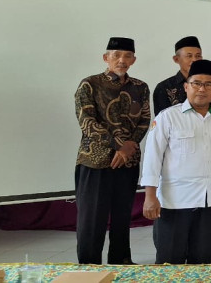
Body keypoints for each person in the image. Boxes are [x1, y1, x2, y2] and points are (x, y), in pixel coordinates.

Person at [141, 60, 211, 264]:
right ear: (186, 87)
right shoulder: (168, 117)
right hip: (174, 201)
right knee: (170, 262)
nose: (202, 89)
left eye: (208, 84)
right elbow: (152, 157)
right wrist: (150, 196)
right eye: (196, 83)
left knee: (203, 261)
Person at [74, 37, 150, 265]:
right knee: (91, 219)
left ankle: (121, 261)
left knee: (122, 216)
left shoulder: (140, 87)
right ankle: (89, 267)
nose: (121, 60)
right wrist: (119, 145)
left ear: (133, 60)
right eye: (116, 55)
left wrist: (129, 147)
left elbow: (144, 120)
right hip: (95, 161)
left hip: (128, 162)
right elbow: (87, 121)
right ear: (106, 58)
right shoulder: (90, 84)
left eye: (127, 56)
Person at [153, 36, 211, 115]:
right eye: (189, 56)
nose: (194, 60)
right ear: (176, 59)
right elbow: (162, 119)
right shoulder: (164, 87)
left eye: (198, 56)